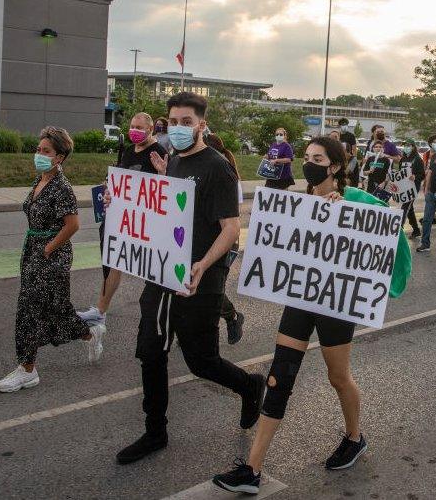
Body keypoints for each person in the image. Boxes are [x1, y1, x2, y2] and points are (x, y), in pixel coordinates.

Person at [212, 137, 411, 495]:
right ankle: (252, 470)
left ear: (334, 167)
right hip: (301, 300)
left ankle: (354, 437)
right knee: (279, 377)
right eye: (306, 157)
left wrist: (346, 211)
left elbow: (391, 235)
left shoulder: (356, 201)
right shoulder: (298, 203)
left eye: (317, 158)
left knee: (338, 377)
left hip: (335, 303)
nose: (309, 163)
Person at [116, 92, 264, 465]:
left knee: (202, 361)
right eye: (173, 122)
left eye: (187, 122)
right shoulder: (176, 160)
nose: (179, 129)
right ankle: (155, 431)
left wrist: (202, 264)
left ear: (201, 124)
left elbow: (230, 229)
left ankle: (249, 385)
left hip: (202, 278)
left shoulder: (217, 166)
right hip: (164, 274)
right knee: (151, 353)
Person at [0, 127, 106, 391]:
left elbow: (73, 225)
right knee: (56, 310)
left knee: (28, 310)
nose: (39, 155)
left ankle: (27, 370)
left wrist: (47, 249)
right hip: (33, 249)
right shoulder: (40, 180)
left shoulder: (62, 187)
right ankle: (89, 333)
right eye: (38, 150)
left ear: (60, 157)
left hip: (51, 256)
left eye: (46, 151)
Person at [77, 113, 168, 325]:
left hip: (145, 223)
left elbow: (165, 189)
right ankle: (100, 310)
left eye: (139, 127)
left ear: (151, 128)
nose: (134, 130)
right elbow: (120, 178)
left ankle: (172, 317)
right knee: (112, 261)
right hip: (121, 218)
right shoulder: (128, 150)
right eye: (132, 126)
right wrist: (109, 187)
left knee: (153, 270)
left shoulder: (159, 153)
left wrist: (162, 175)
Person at [204, 132, 247, 345]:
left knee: (212, 288)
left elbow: (230, 218)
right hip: (207, 238)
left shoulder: (225, 174)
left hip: (225, 241)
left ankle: (232, 317)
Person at [399, 141, 425, 238]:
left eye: (408, 145)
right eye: (405, 146)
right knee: (409, 209)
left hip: (413, 187)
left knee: (405, 207)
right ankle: (416, 230)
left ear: (413, 147)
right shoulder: (403, 158)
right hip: (404, 186)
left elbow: (422, 174)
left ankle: (399, 230)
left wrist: (415, 176)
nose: (406, 147)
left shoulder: (418, 159)